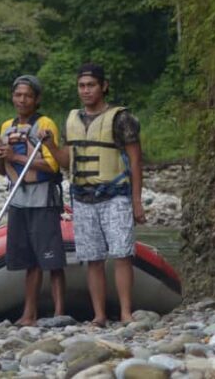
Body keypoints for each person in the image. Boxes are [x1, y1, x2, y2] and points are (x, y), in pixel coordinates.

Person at [41, 63, 145, 326]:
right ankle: (99, 315)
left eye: (91, 85)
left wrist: (136, 200)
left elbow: (135, 161)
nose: (85, 91)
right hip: (83, 197)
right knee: (93, 258)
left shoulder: (122, 119)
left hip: (115, 195)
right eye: (81, 86)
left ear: (103, 86)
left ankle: (125, 312)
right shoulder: (72, 119)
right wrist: (50, 145)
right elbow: (67, 161)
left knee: (122, 254)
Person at [0, 75, 66, 326]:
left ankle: (59, 312)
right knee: (29, 261)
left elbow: (52, 165)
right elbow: (4, 171)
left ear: (36, 99)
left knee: (52, 259)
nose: (22, 100)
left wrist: (15, 156)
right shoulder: (6, 126)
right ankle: (29, 313)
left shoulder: (45, 124)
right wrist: (2, 158)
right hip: (19, 199)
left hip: (43, 198)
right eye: (18, 95)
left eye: (27, 96)